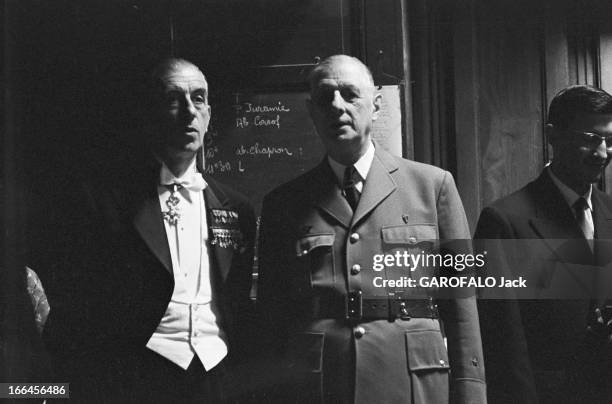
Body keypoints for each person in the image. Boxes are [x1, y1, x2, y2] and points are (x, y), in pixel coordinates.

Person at [257, 54, 486, 403]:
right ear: (312, 111)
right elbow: (272, 317)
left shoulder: (432, 186)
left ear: (376, 105)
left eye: (349, 94)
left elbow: (462, 303)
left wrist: (471, 391)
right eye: (325, 97)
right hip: (318, 385)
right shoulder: (283, 203)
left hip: (412, 381)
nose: (337, 106)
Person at [43, 58, 256, 403]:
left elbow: (238, 304)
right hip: (137, 379)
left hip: (218, 378)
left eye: (198, 98)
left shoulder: (237, 208)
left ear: (209, 115)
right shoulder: (103, 201)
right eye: (174, 99)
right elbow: (79, 310)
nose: (189, 111)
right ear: (148, 114)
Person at [475, 84, 612, 403]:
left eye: (610, 141)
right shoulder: (503, 222)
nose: (602, 154)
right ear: (553, 136)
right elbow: (504, 346)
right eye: (591, 140)